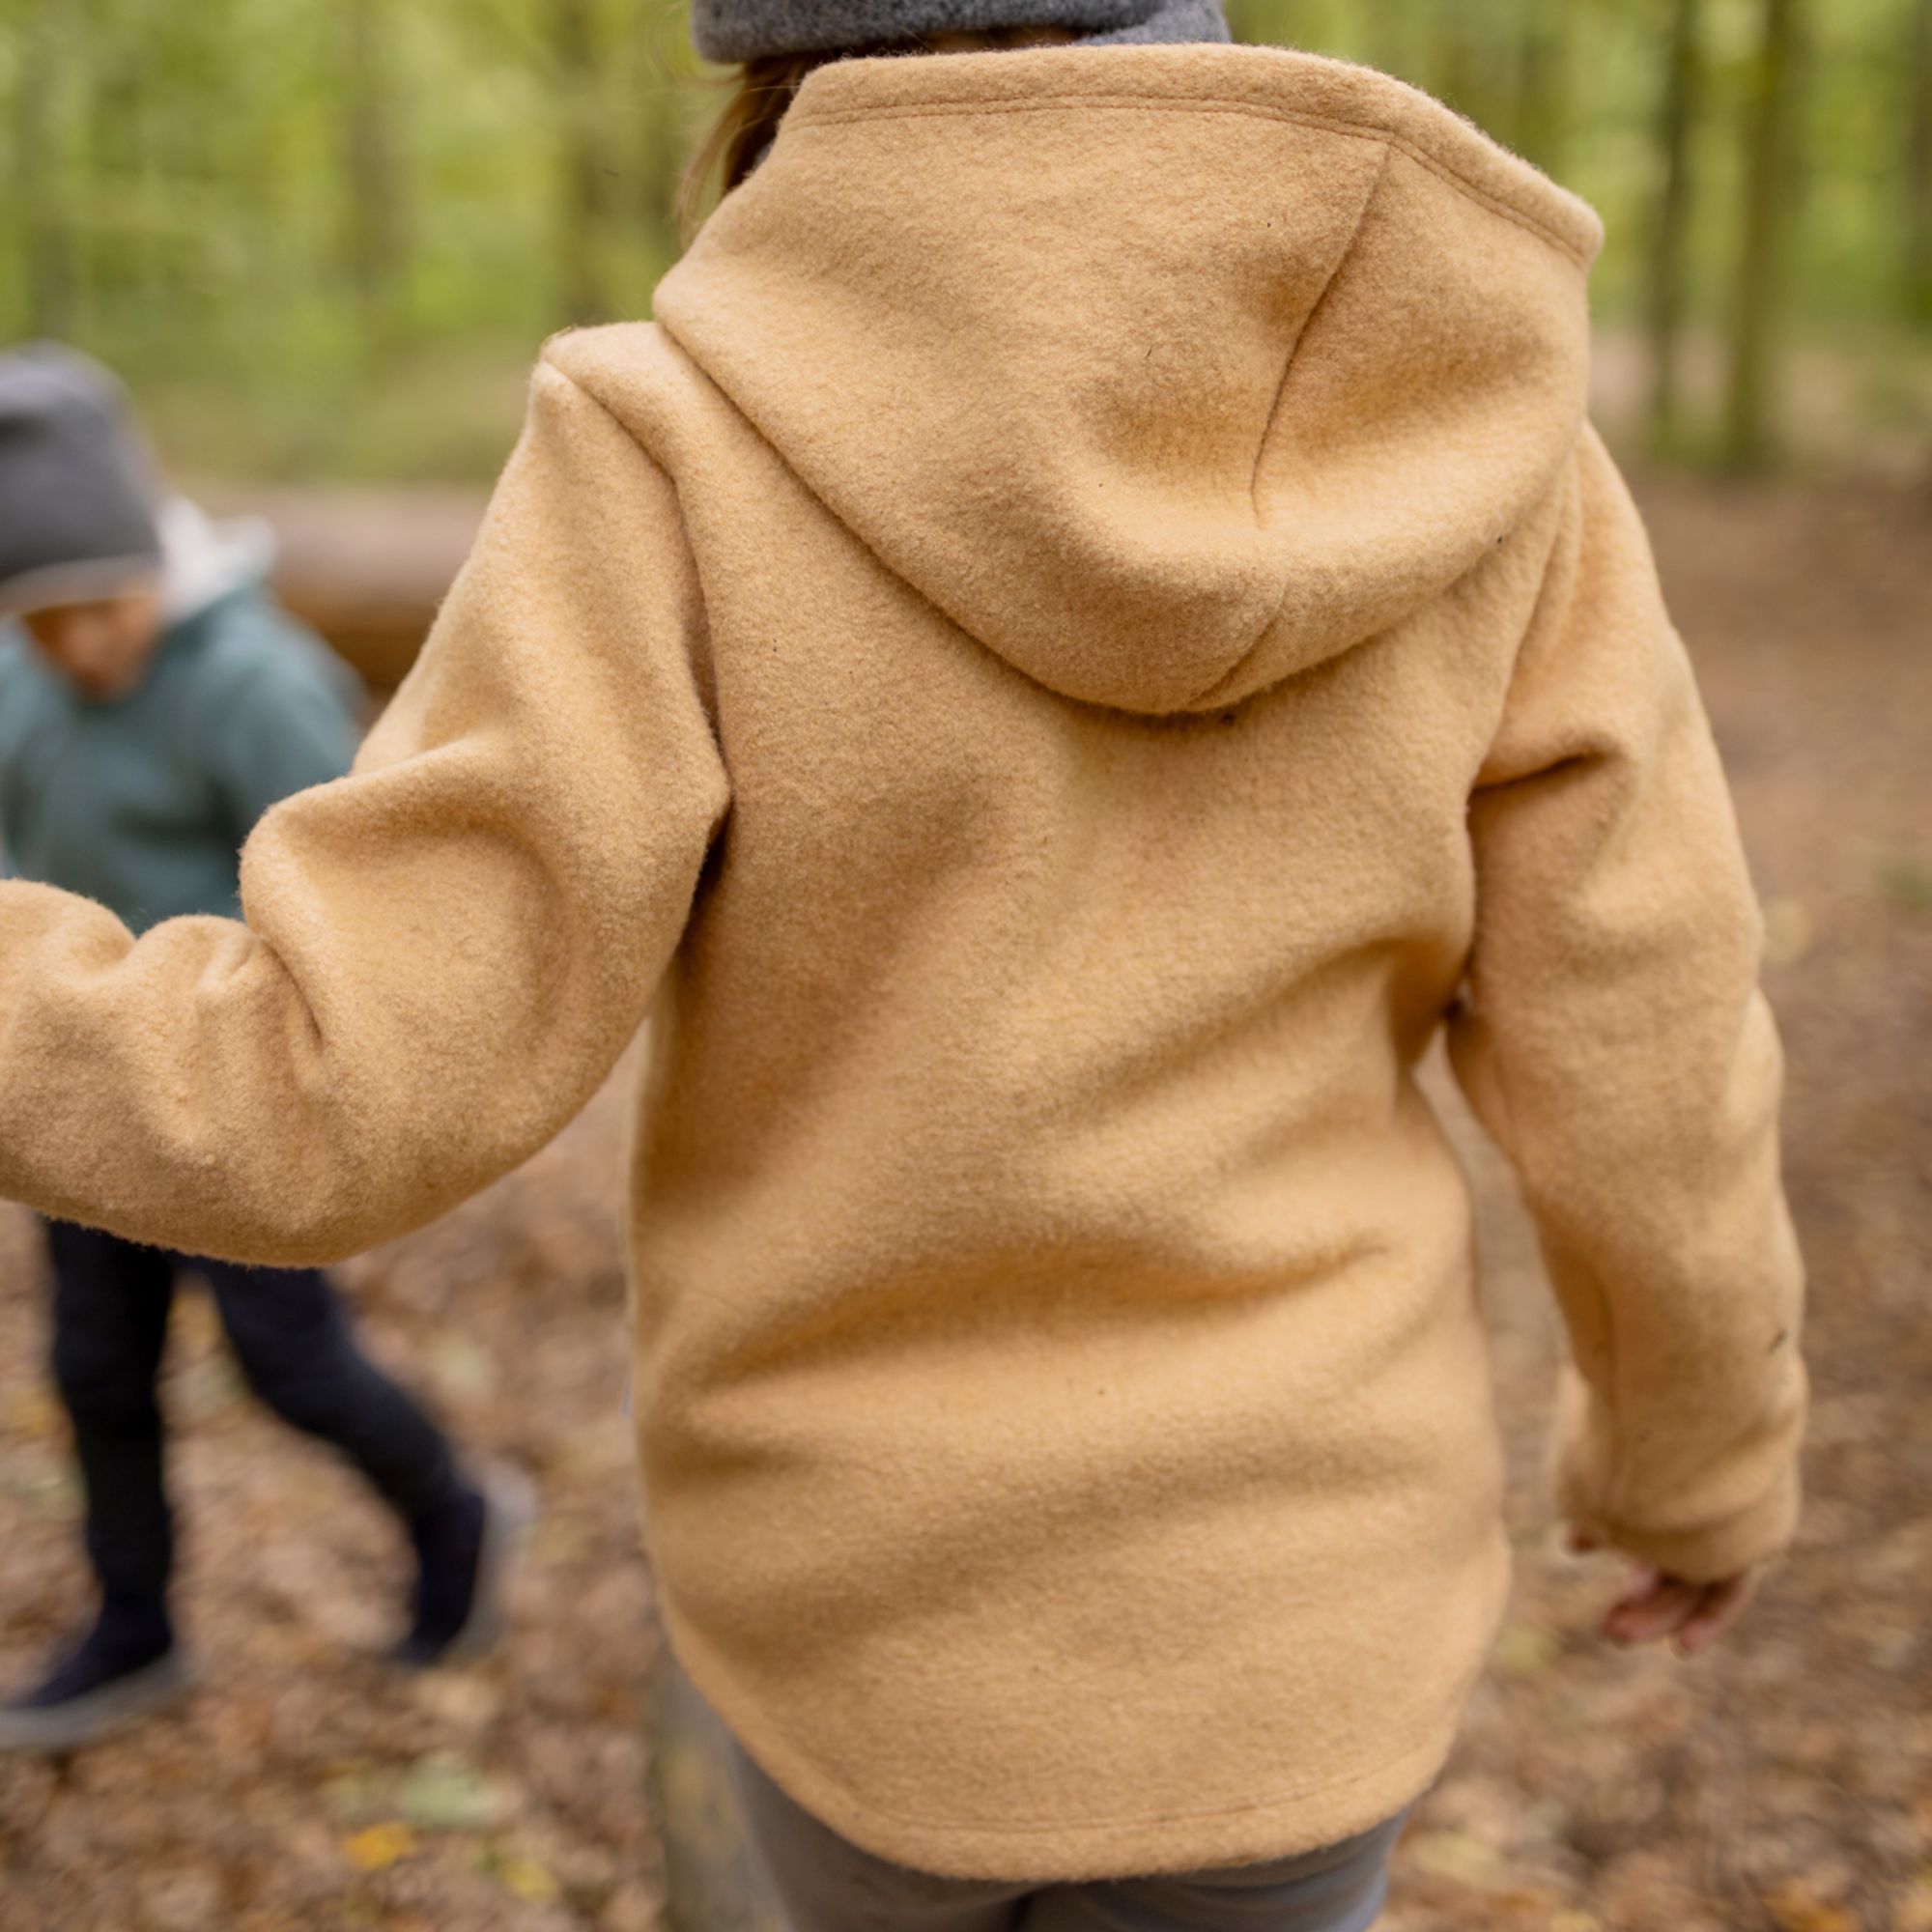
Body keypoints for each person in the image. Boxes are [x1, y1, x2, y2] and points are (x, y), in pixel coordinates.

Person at [0, 5, 1806, 1926]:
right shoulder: (1496, 452)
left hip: (854, 1627)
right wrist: (1696, 1462)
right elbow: (1649, 1046)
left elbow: (328, 1083)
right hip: (1299, 1631)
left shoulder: (671, 450)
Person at [0, 345, 531, 1752]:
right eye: (40, 625)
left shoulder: (249, 680)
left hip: (234, 1092)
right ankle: (134, 1629)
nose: (79, 650)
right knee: (98, 1373)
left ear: (150, 569)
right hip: (84, 1083)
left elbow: (341, 884)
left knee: (287, 1366)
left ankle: (460, 1516)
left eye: (98, 611)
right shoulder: (25, 685)